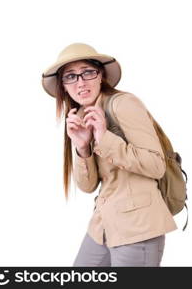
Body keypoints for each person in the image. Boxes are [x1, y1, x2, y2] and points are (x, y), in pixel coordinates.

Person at [42, 43, 177, 266]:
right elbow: (87, 187)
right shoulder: (81, 115)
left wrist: (104, 137)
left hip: (138, 228)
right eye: (71, 77)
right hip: (103, 226)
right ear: (63, 86)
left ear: (100, 75)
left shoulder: (124, 104)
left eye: (87, 72)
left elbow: (156, 165)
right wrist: (83, 148)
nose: (81, 82)